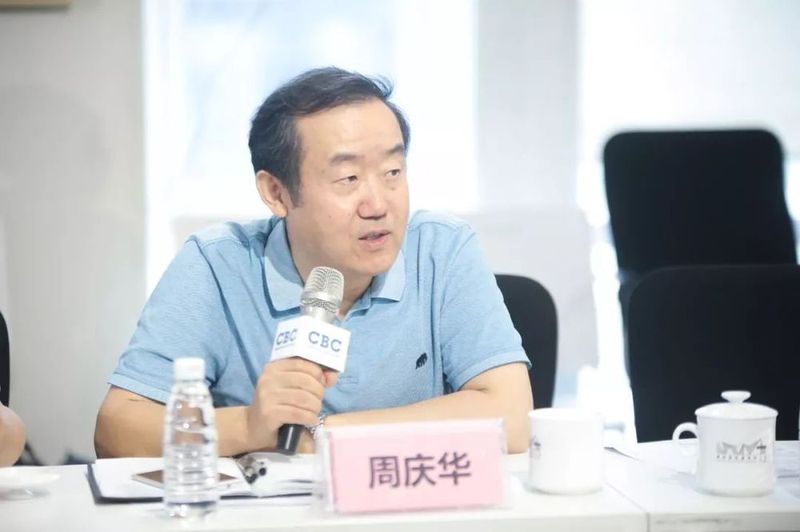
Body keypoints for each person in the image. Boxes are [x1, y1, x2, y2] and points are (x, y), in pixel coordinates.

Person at [95, 67, 532, 458]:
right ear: (276, 193)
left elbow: (511, 417)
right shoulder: (218, 264)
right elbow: (118, 429)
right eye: (348, 178)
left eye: (392, 172)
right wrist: (248, 426)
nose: (378, 204)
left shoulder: (442, 250)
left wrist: (321, 436)